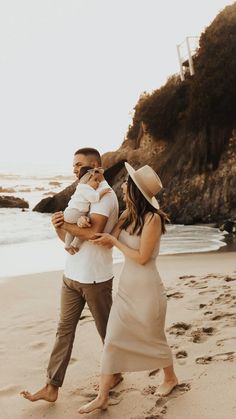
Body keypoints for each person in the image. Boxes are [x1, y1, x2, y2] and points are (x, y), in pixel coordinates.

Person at [20, 147, 120, 403]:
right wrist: (58, 227)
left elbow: (93, 234)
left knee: (106, 330)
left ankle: (117, 371)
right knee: (63, 330)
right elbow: (71, 239)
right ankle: (51, 386)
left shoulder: (105, 197)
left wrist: (64, 222)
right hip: (72, 275)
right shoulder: (82, 193)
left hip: (96, 278)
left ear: (95, 165)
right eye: (73, 166)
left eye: (80, 165)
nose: (75, 170)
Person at [78, 163, 179, 414]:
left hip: (147, 290)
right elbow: (105, 242)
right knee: (112, 338)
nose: (122, 186)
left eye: (126, 182)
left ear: (134, 189)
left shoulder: (152, 218)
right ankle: (102, 396)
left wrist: (114, 240)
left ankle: (170, 378)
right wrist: (83, 220)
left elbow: (143, 256)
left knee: (154, 337)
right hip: (126, 288)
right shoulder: (126, 216)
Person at [64, 165, 111, 253]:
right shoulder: (86, 188)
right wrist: (102, 192)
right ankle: (74, 244)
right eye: (95, 180)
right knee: (84, 227)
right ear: (87, 180)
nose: (98, 183)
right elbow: (94, 198)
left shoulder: (80, 187)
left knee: (70, 231)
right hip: (75, 213)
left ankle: (67, 245)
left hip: (68, 212)